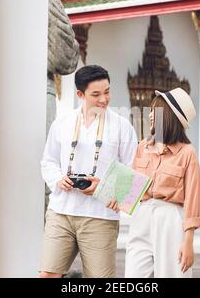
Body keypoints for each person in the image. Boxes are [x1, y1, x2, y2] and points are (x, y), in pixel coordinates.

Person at [39, 65, 138, 278]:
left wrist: (103, 187)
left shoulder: (122, 127)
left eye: (107, 91)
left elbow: (134, 173)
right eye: (96, 94)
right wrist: (58, 179)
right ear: (80, 94)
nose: (104, 99)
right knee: (48, 275)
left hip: (100, 217)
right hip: (61, 212)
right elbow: (48, 161)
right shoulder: (62, 123)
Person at [108, 88, 200, 278]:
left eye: (155, 110)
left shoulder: (187, 152)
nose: (150, 115)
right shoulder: (143, 146)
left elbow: (193, 199)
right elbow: (128, 190)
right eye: (150, 110)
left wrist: (188, 241)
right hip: (141, 218)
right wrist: (111, 194)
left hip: (170, 220)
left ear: (168, 116)